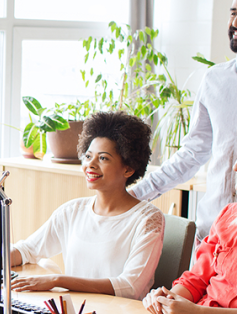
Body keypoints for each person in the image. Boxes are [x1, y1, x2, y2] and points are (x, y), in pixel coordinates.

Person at [131, 0, 237, 242]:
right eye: (234, 12)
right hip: (210, 237)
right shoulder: (215, 79)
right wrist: (134, 195)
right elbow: (192, 153)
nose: (236, 22)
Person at [10, 111, 164, 300]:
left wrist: (58, 280)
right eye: (88, 156)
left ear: (128, 168)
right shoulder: (72, 211)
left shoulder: (148, 219)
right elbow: (27, 250)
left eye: (103, 158)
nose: (90, 165)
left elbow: (130, 286)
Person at [143, 121, 237, 314]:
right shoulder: (229, 215)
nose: (236, 166)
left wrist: (197, 313)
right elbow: (197, 278)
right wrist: (169, 299)